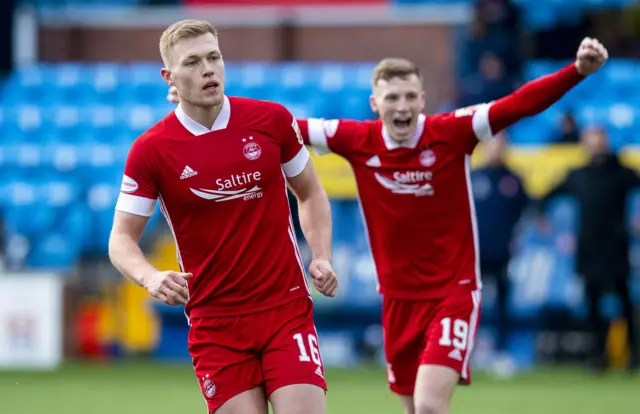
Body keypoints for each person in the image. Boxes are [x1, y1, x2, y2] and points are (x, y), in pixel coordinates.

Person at [169, 37, 609, 413]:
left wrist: (576, 71)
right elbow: (275, 127)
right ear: (374, 103)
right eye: (391, 98)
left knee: (429, 405)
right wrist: (202, 102)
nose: (401, 107)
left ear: (422, 100)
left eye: (409, 97)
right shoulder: (357, 140)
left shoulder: (451, 132)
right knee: (410, 406)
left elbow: (517, 105)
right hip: (397, 299)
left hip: (452, 293)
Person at [109, 19, 338, 414]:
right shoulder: (151, 150)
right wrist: (151, 277)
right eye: (193, 62)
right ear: (170, 77)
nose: (208, 69)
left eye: (214, 57)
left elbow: (310, 191)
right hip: (215, 323)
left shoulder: (271, 121)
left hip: (284, 308)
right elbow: (120, 240)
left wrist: (320, 255)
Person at [537, 126, 640, 372]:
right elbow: (545, 197)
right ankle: (597, 357)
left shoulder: (622, 172)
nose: (596, 146)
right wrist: (543, 218)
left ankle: (634, 357)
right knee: (592, 306)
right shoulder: (578, 175)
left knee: (625, 304)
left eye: (599, 141)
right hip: (588, 249)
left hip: (616, 248)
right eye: (591, 141)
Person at [471, 132, 528, 353]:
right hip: (474, 252)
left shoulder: (513, 180)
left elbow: (525, 213)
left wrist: (517, 238)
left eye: (500, 145)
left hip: (503, 252)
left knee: (503, 303)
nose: (495, 149)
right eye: (492, 145)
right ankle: (466, 350)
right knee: (468, 304)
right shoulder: (473, 177)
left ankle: (501, 350)